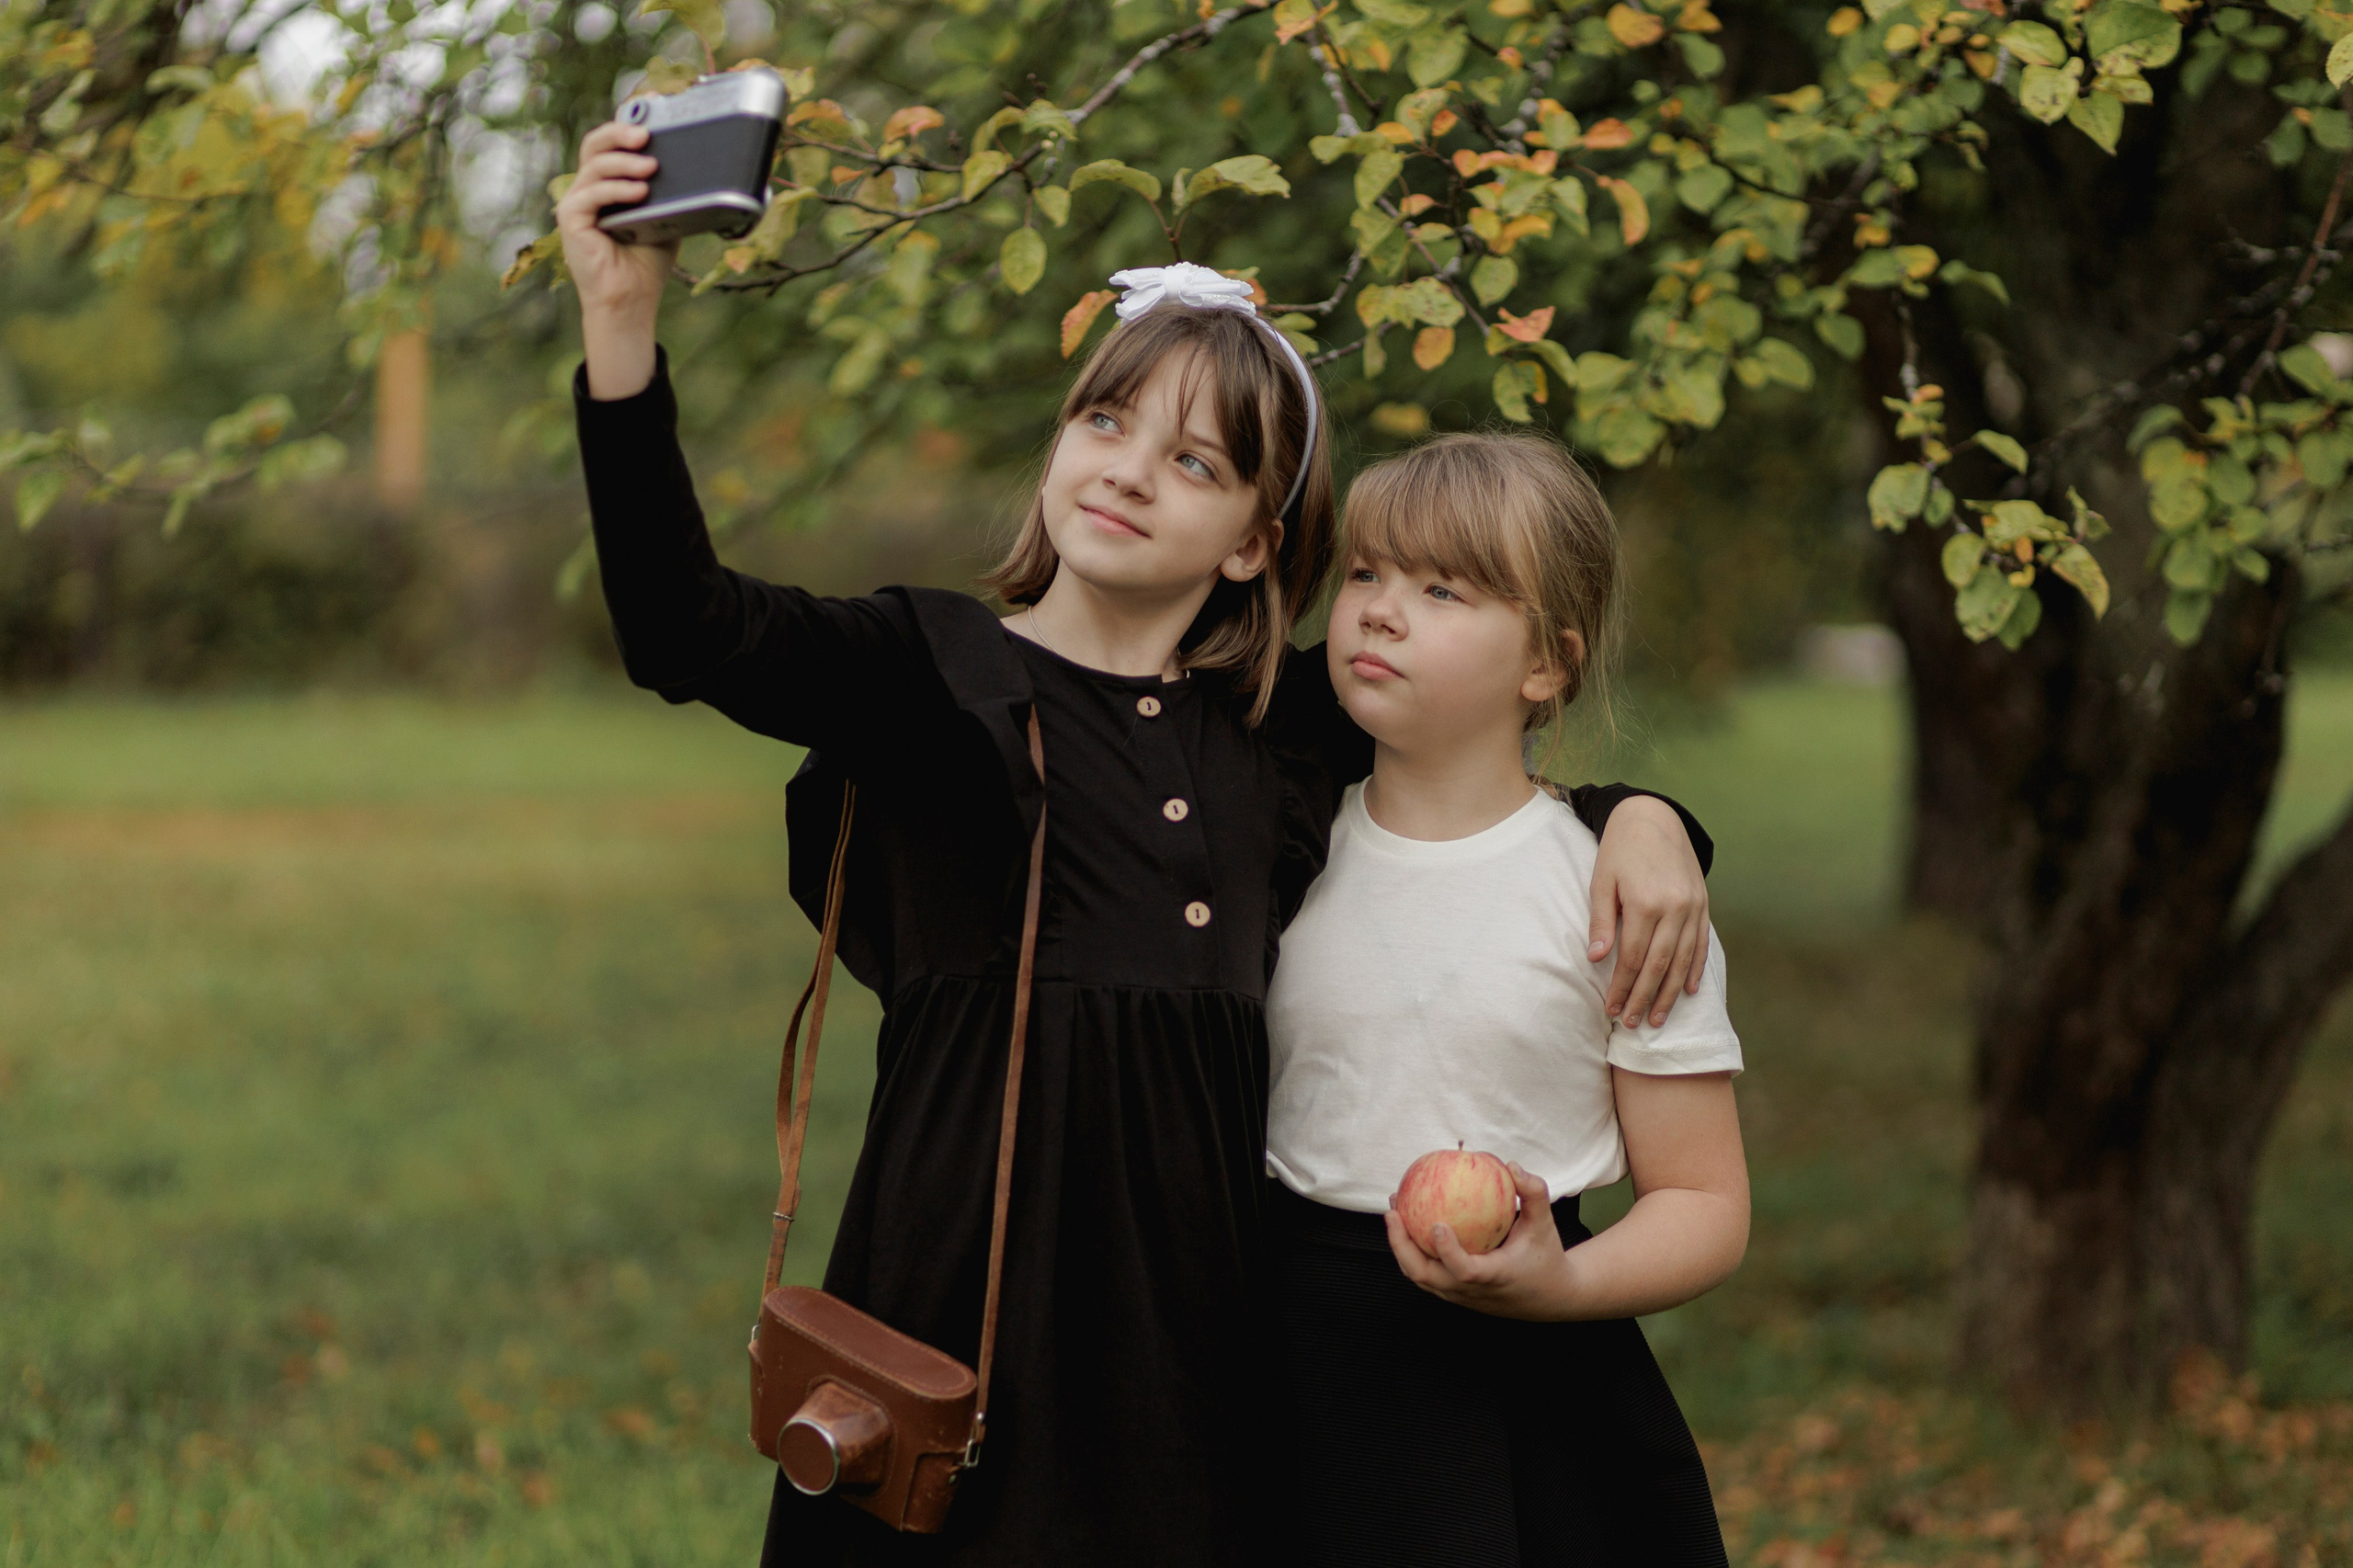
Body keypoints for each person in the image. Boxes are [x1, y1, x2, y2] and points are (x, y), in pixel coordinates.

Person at [556, 119, 1718, 1566]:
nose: (1128, 471)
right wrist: (620, 316)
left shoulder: (1280, 734)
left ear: (1249, 538)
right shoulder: (927, 673)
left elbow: (1480, 771)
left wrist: (1651, 822)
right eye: (1104, 424)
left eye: (1195, 459)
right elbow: (682, 627)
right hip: (956, 1290)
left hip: (1200, 1336)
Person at [1266, 432, 1749, 1568]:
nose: (1380, 610)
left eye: (1443, 589)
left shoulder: (1619, 893)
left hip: (1532, 1389)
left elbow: (1704, 1200)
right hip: (1294, 1362)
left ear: (1546, 661)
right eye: (1368, 574)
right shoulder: (1273, 849)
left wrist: (1558, 1282)